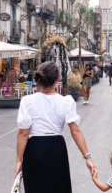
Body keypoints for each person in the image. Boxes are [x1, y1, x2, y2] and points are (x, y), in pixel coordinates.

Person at [15, 61, 96, 192]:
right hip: (57, 148)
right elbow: (75, 132)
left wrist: (19, 160)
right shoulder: (66, 101)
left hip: (34, 149)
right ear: (57, 80)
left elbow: (23, 133)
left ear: (39, 80)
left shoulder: (28, 101)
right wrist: (88, 157)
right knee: (58, 187)